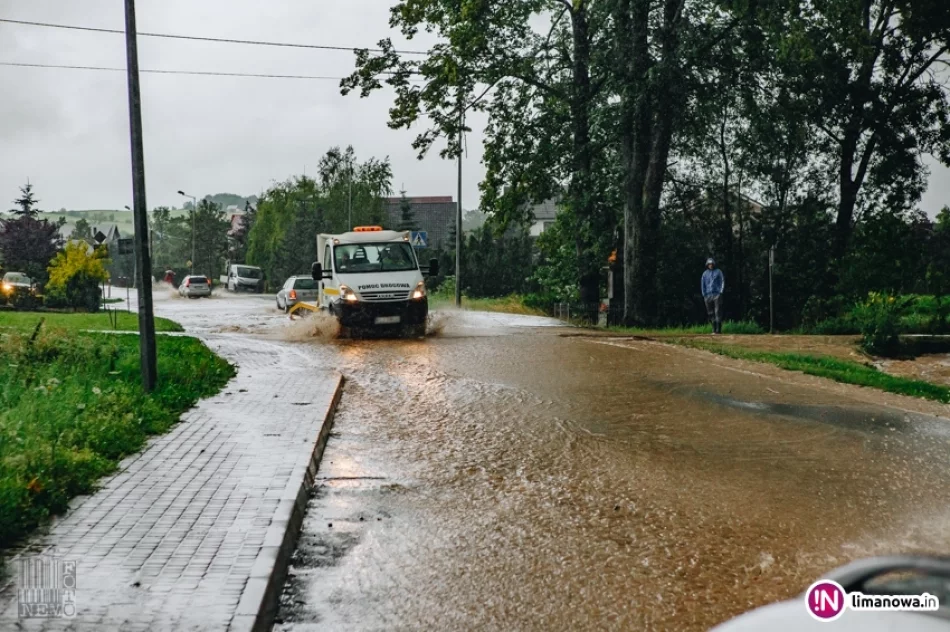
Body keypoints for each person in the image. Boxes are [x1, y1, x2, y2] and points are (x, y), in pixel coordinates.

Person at [701, 258, 725, 334]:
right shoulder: (705, 274)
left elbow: (722, 281)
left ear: (714, 264)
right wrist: (704, 294)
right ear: (707, 265)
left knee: (717, 311)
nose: (710, 265)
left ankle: (719, 330)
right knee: (710, 312)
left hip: (717, 294)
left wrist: (721, 291)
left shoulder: (718, 272)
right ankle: (713, 329)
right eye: (709, 264)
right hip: (707, 295)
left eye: (711, 264)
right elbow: (702, 284)